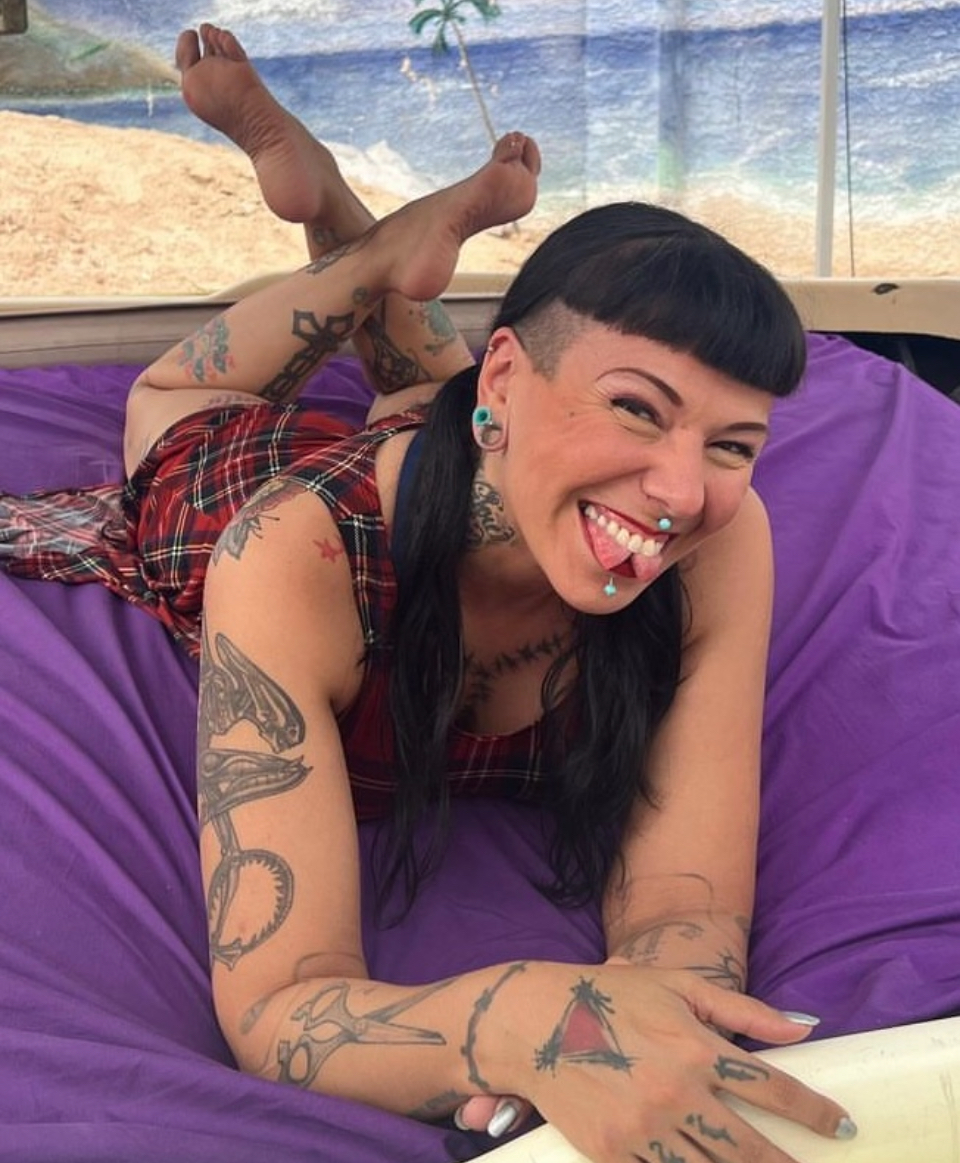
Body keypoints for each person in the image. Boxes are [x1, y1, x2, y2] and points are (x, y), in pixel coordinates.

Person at [5, 24, 858, 1163]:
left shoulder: (718, 536)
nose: (681, 491)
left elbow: (686, 909)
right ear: (514, 370)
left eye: (733, 443)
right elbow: (279, 1005)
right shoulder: (289, 553)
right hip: (258, 480)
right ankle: (353, 238)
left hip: (472, 457)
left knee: (444, 408)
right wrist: (498, 1020)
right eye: (639, 408)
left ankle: (371, 235)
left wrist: (641, 1021)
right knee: (170, 407)